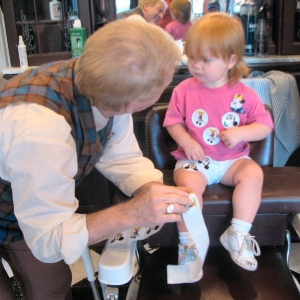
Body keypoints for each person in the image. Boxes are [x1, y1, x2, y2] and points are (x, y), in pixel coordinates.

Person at [0, 19, 194, 299]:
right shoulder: (41, 132)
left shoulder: (106, 88)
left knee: (52, 285)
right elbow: (48, 238)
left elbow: (122, 158)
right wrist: (130, 213)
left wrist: (151, 189)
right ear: (134, 104)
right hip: (20, 200)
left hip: (21, 208)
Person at [163, 12, 274, 281]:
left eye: (206, 59)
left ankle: (238, 233)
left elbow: (265, 125)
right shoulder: (184, 90)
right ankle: (189, 246)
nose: (196, 65)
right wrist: (187, 141)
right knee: (188, 192)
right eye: (192, 58)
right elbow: (172, 123)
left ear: (231, 60)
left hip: (231, 161)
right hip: (196, 162)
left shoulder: (244, 94)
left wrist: (241, 132)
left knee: (253, 174)